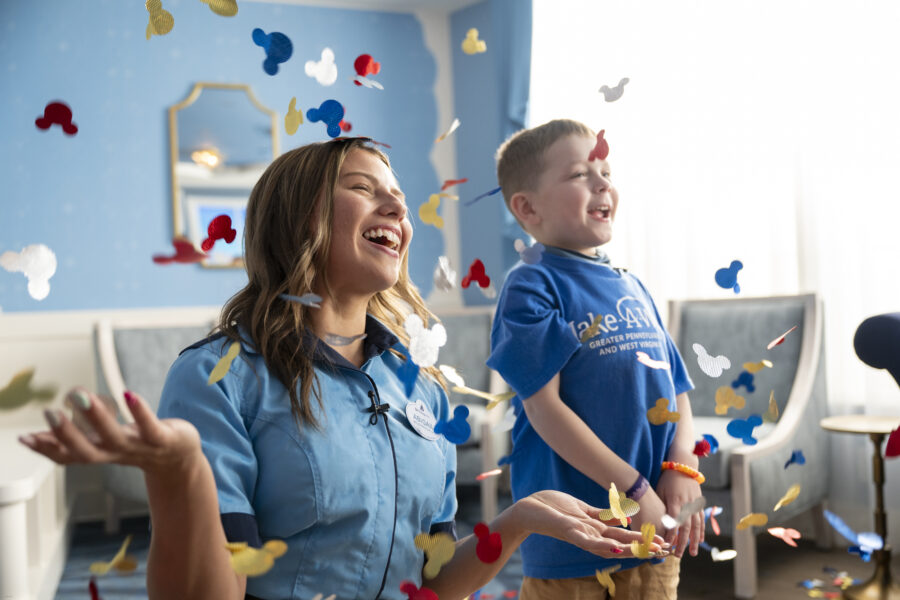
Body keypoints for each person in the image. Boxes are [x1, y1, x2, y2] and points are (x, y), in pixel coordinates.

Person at [18, 137, 660, 600]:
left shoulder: (420, 387)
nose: (397, 212)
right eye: (363, 189)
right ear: (301, 218)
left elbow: (432, 586)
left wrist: (518, 520)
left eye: (400, 200)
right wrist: (180, 473)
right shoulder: (217, 381)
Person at [487, 119, 703, 599]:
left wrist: (680, 468)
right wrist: (633, 490)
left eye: (606, 171)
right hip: (575, 543)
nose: (603, 183)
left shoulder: (633, 285)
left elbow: (678, 391)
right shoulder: (531, 284)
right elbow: (545, 410)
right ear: (528, 207)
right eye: (581, 174)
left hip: (651, 537)